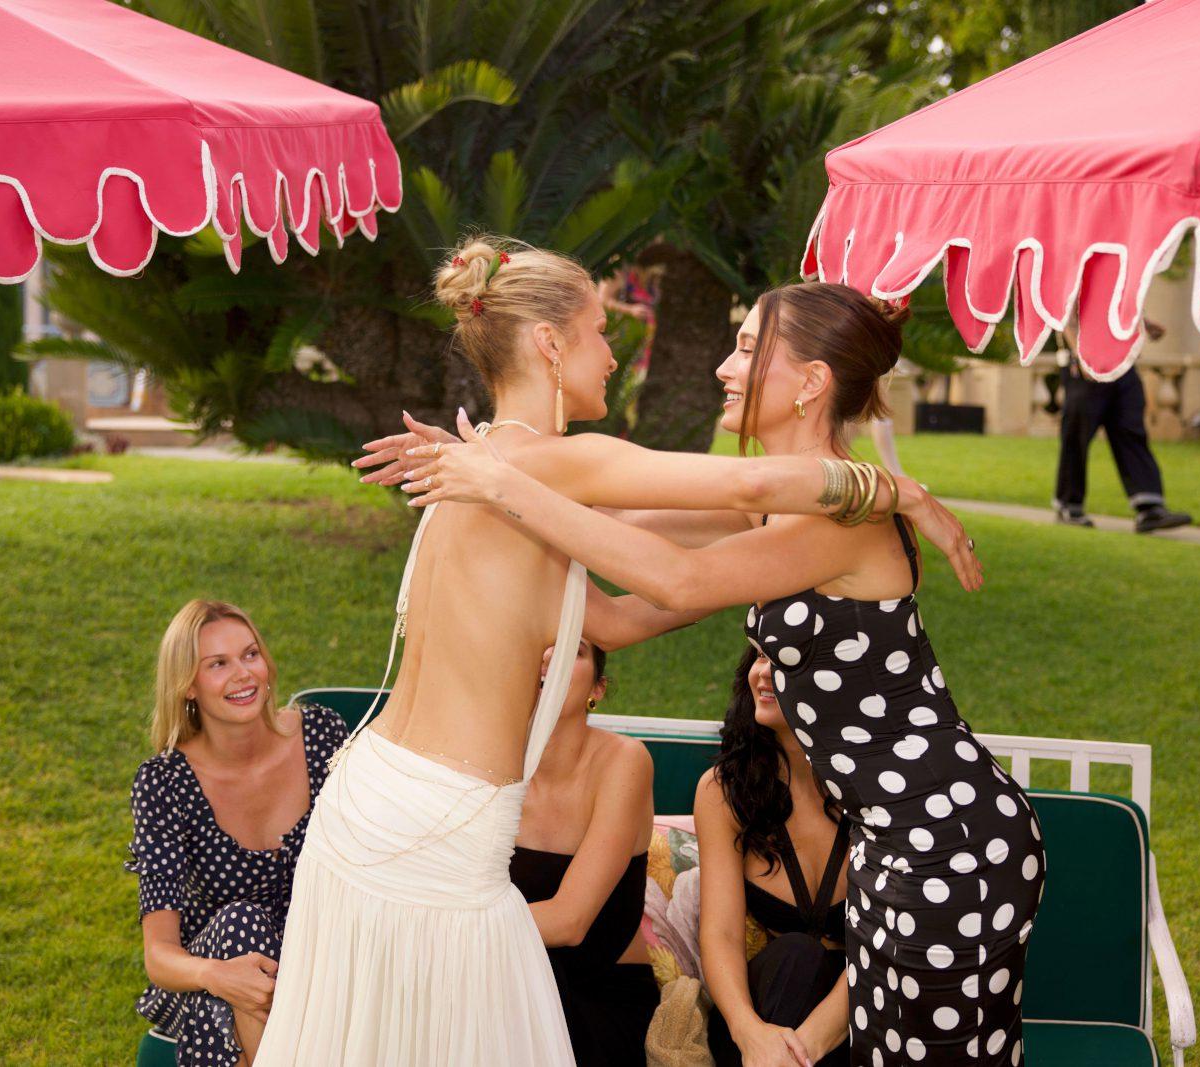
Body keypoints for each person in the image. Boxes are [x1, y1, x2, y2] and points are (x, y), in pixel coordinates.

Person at [261, 238, 969, 1067]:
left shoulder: (487, 472)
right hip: (442, 824)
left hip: (370, 798)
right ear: (550, 344)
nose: (614, 352)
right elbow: (744, 488)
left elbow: (617, 614)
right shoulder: (534, 467)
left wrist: (741, 571)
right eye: (601, 331)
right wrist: (898, 488)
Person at [397, 278, 1044, 1065]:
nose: (723, 368)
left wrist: (503, 482)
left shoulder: (847, 516)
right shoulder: (774, 510)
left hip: (948, 836)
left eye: (746, 348)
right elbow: (609, 555)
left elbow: (679, 580)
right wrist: (486, 465)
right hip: (896, 836)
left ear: (811, 381)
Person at [124, 600, 349, 1067]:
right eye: (218, 664)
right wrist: (218, 975)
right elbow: (159, 956)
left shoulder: (321, 736)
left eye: (250, 654)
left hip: (319, 956)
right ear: (188, 684)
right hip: (214, 972)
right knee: (240, 928)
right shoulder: (165, 783)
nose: (243, 674)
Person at [699, 645, 850, 1067]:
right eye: (760, 657)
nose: (763, 673)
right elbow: (721, 935)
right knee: (797, 955)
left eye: (785, 659)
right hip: (761, 1016)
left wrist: (806, 1045)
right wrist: (750, 1033)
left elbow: (886, 945)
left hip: (857, 1010)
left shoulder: (879, 792)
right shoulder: (725, 791)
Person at [510, 639, 658, 1067]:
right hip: (507, 977)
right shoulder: (490, 764)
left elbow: (569, 922)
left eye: (573, 650)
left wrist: (446, 928)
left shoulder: (624, 761)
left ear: (598, 688)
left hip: (598, 997)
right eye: (541, 647)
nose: (549, 658)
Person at [1053, 313, 1192, 532]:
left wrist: (1144, 322)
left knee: (1131, 431)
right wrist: (1082, 358)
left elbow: (1118, 301)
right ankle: (1069, 505)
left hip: (1122, 363)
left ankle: (1149, 507)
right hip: (1087, 363)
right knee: (1077, 437)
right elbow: (1067, 315)